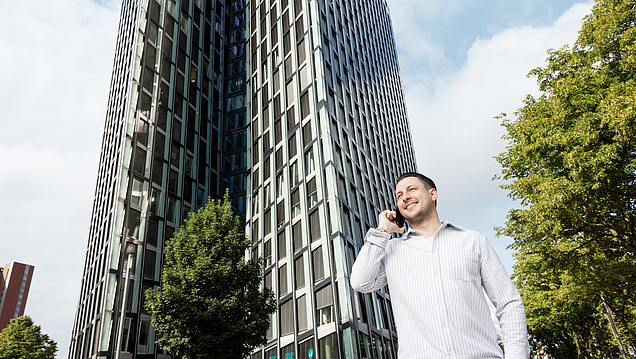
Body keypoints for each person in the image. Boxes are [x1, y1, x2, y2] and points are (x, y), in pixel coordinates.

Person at [350, 172, 529, 359]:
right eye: (399, 195)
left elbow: (508, 303)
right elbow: (361, 282)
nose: (405, 197)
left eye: (412, 189)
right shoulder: (392, 250)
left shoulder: (473, 241)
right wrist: (382, 231)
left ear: (433, 194)